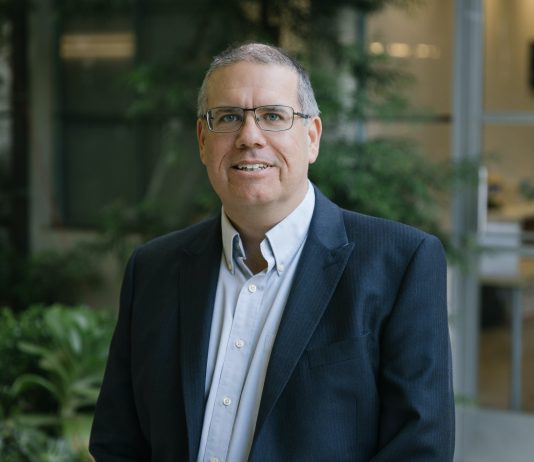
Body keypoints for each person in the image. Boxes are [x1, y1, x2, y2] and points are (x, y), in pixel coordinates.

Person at [89, 42, 455, 462]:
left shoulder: (401, 263)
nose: (249, 137)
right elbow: (117, 443)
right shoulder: (152, 270)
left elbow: (419, 450)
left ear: (312, 137)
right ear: (203, 141)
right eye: (228, 117)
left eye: (274, 116)